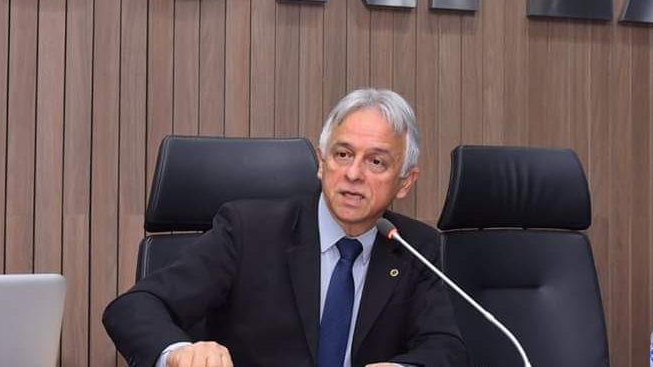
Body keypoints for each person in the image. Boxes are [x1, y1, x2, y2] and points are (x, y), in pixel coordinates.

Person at [104, 88, 467, 367]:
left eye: (376, 162)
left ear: (405, 182)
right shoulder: (249, 231)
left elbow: (446, 347)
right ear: (321, 163)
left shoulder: (414, 246)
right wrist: (179, 351)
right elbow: (135, 306)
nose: (354, 174)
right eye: (342, 154)